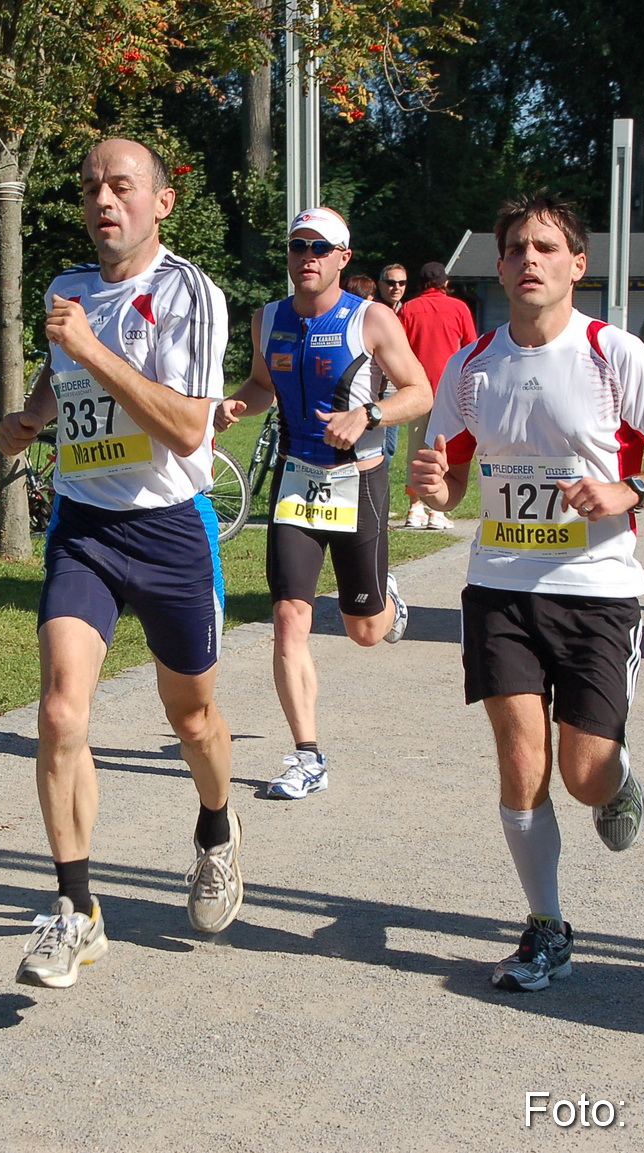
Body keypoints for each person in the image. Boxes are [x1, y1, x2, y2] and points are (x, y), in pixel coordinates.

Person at [410, 191, 644, 992]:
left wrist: (628, 491)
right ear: (499, 266)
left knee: (583, 772)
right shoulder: (472, 366)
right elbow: (451, 480)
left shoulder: (614, 354)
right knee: (519, 760)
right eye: (514, 248)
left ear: (577, 265)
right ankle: (546, 925)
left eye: (545, 247)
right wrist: (433, 483)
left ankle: (618, 776)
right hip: (499, 584)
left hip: (597, 591)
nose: (528, 259)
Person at [0, 138, 241, 988]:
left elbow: (185, 428)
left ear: (161, 203)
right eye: (92, 186)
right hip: (86, 529)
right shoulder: (67, 288)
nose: (106, 199)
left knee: (195, 720)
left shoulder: (189, 293)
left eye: (123, 185)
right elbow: (62, 389)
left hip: (172, 528)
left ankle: (216, 826)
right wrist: (22, 424)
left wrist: (94, 347)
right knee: (62, 712)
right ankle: (75, 911)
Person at [215, 208, 432, 799]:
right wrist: (235, 404)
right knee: (290, 616)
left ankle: (386, 603)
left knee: (364, 630)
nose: (306, 256)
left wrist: (370, 414)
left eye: (319, 247)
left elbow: (420, 391)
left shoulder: (373, 319)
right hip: (296, 484)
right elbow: (263, 383)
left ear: (342, 257)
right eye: (296, 246)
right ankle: (307, 755)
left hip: (357, 481)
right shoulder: (267, 319)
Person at [397, 260, 476, 530]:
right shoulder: (458, 308)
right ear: (445, 283)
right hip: (449, 390)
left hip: (416, 389)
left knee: (416, 449)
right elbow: (471, 348)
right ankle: (436, 510)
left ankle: (414, 508)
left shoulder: (409, 308)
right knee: (442, 449)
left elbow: (398, 349)